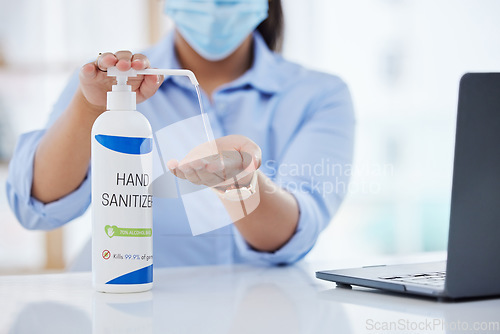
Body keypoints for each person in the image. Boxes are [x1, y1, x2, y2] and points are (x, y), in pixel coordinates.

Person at [6, 0, 355, 268]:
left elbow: (292, 236)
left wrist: (240, 182)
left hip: (256, 314)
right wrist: (91, 108)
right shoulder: (109, 82)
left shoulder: (318, 94)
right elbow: (35, 207)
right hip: (115, 305)